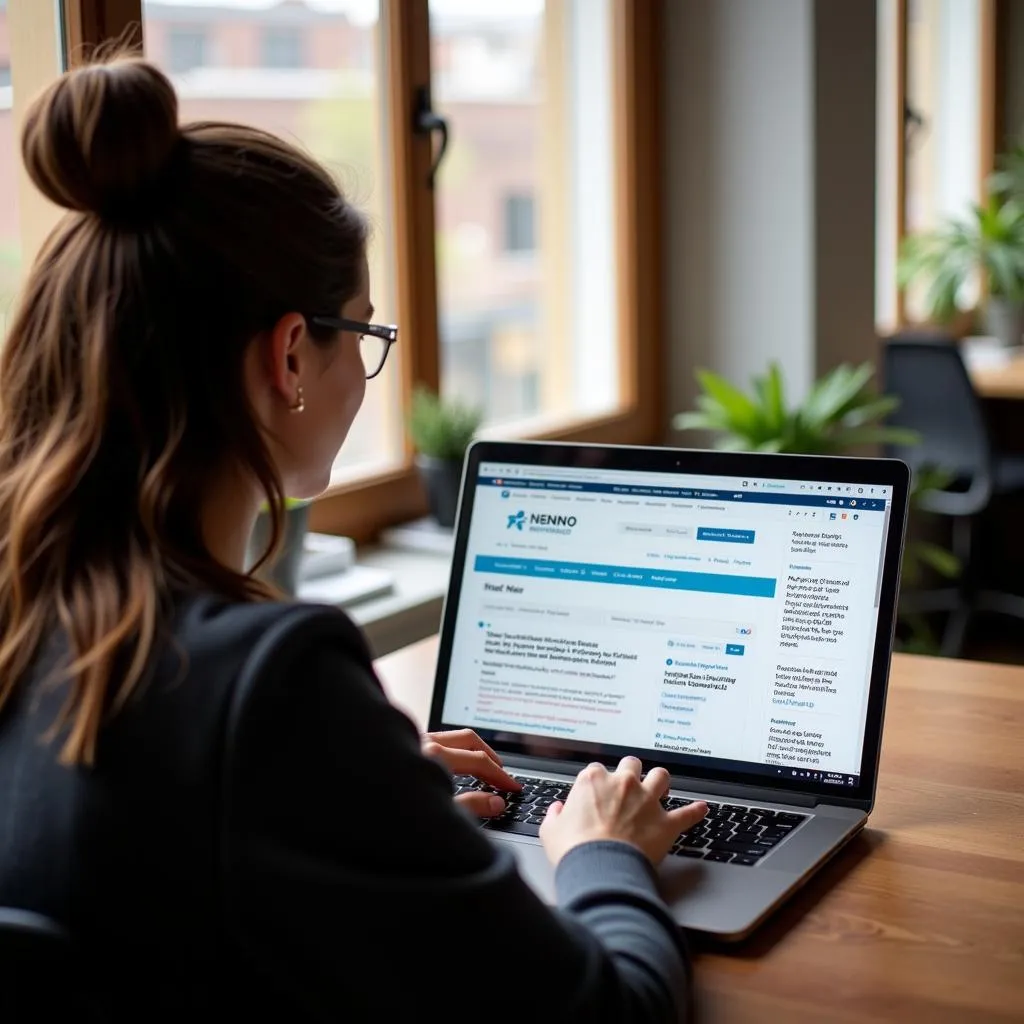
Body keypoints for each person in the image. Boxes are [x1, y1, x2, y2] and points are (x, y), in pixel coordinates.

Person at [0, 55, 707, 1021]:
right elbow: (609, 1012)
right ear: (290, 353)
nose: (366, 372)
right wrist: (603, 852)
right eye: (366, 336)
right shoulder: (273, 680)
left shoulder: (29, 622)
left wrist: (357, 798)